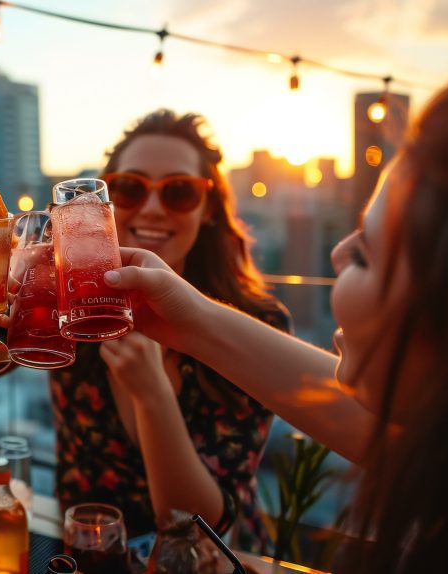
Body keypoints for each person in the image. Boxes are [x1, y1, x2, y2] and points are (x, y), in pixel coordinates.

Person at [104, 65, 448, 572]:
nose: (338, 256)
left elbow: (201, 520)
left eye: (365, 255)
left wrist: (160, 378)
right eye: (127, 187)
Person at [49, 110, 291, 550]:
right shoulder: (68, 305)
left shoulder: (257, 326)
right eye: (129, 188)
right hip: (90, 556)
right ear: (99, 206)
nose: (154, 208)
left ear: (210, 211)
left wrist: (151, 394)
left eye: (179, 192)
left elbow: (195, 528)